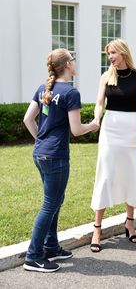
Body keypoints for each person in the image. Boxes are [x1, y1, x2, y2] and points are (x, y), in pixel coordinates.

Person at [23, 48, 99, 273]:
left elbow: (28, 119)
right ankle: (33, 256)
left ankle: (51, 246)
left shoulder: (43, 88)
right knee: (50, 204)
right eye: (73, 60)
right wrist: (93, 125)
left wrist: (42, 141)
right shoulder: (70, 92)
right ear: (67, 65)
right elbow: (76, 130)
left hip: (41, 154)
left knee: (55, 200)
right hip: (55, 156)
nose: (75, 63)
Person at [90, 38, 136, 252]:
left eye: (113, 53)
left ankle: (130, 223)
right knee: (105, 175)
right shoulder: (106, 77)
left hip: (131, 129)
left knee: (131, 174)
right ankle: (97, 228)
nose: (110, 57)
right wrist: (97, 119)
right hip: (110, 130)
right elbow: (99, 103)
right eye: (108, 54)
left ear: (123, 52)